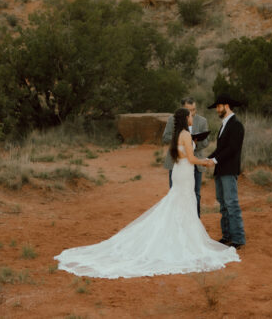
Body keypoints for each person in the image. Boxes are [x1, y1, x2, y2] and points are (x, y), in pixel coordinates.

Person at [54, 108, 239, 278]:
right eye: (190, 115)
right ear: (185, 118)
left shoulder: (179, 134)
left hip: (180, 172)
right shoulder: (185, 134)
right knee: (183, 202)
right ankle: (182, 242)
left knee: (180, 203)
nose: (192, 117)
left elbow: (183, 155)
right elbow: (190, 158)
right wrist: (206, 161)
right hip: (185, 173)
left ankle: (180, 237)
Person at [207, 93, 246, 249]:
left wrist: (214, 160)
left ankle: (238, 239)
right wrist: (208, 159)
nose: (217, 109)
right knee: (223, 204)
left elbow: (232, 148)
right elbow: (220, 149)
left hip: (229, 170)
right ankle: (227, 236)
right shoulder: (224, 125)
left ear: (226, 106)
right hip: (221, 170)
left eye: (218, 106)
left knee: (231, 203)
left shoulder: (236, 125)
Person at [162, 96, 209, 216]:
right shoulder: (172, 120)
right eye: (190, 110)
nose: (192, 113)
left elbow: (206, 142)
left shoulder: (202, 121)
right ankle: (175, 222)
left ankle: (195, 221)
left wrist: (193, 144)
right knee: (175, 194)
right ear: (183, 110)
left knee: (195, 194)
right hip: (178, 163)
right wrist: (182, 141)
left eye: (194, 110)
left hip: (194, 165)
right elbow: (165, 137)